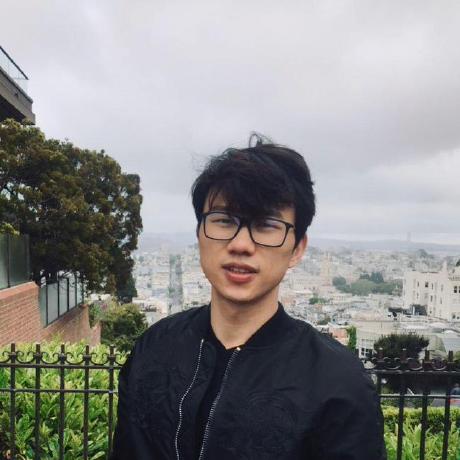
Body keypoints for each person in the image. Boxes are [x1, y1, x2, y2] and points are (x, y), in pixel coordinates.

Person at [110, 134, 386, 459]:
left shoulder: (338, 383)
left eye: (266, 225)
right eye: (224, 221)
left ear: (298, 248)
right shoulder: (153, 349)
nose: (241, 244)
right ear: (199, 233)